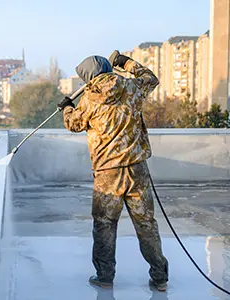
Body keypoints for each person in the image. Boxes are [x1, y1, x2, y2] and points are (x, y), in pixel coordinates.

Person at [57, 51, 169, 292]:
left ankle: (104, 276)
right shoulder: (132, 87)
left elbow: (73, 124)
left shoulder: (89, 99)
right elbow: (151, 77)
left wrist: (67, 107)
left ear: (88, 77)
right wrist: (125, 62)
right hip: (137, 171)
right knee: (146, 224)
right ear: (109, 67)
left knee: (105, 224)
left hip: (108, 174)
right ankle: (160, 277)